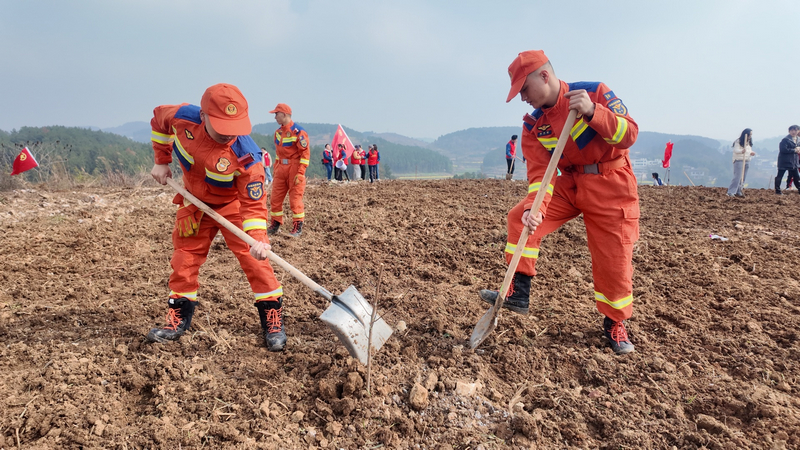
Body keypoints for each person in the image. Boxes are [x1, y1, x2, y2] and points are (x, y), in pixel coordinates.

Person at [480, 50, 640, 355]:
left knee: (614, 257)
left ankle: (615, 322)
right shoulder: (533, 125)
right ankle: (519, 291)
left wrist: (593, 112)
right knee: (519, 219)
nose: (522, 98)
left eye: (524, 89)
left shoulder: (594, 93)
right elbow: (540, 175)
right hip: (569, 183)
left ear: (544, 75)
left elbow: (629, 134)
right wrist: (535, 208)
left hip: (610, 183)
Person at [146, 83, 287, 352]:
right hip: (194, 203)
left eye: (235, 127)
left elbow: (254, 205)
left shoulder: (248, 158)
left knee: (255, 261)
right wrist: (161, 160)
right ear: (203, 116)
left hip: (232, 207)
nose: (229, 134)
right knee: (184, 259)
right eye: (222, 127)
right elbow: (158, 121)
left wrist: (258, 238)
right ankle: (177, 319)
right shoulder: (181, 116)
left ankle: (273, 319)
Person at [267, 103, 310, 237]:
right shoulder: (278, 133)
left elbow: (305, 154)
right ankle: (275, 223)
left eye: (276, 114)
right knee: (275, 198)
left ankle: (297, 225)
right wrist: (276, 168)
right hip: (281, 168)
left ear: (284, 115)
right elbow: (278, 153)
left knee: (295, 199)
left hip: (294, 168)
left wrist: (301, 172)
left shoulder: (299, 132)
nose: (275, 117)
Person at [726, 129, 755, 197]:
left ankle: (738, 190)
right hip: (739, 160)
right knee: (737, 177)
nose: (750, 136)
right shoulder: (738, 141)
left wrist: (751, 153)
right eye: (750, 134)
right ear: (746, 134)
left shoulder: (749, 142)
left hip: (747, 160)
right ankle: (731, 191)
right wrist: (741, 151)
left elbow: (749, 150)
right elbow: (736, 150)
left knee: (743, 177)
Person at [775, 125, 800, 195]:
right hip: (784, 161)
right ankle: (777, 190)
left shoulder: (798, 140)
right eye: (792, 130)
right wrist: (794, 150)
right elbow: (783, 150)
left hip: (794, 162)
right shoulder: (785, 140)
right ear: (789, 131)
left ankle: (799, 188)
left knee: (796, 177)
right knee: (780, 176)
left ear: (798, 131)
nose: (793, 132)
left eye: (795, 130)